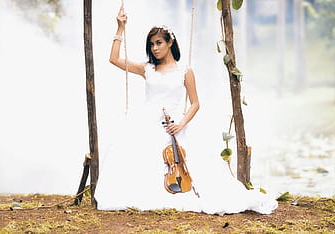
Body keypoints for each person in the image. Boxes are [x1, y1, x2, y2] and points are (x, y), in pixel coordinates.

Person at [95, 7, 278, 215]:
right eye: (152, 44)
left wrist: (182, 123)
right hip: (146, 122)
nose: (155, 48)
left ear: (170, 42)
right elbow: (114, 59)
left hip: (175, 125)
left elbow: (195, 103)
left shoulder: (185, 71)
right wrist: (120, 28)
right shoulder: (148, 68)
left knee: (194, 163)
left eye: (159, 43)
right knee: (132, 155)